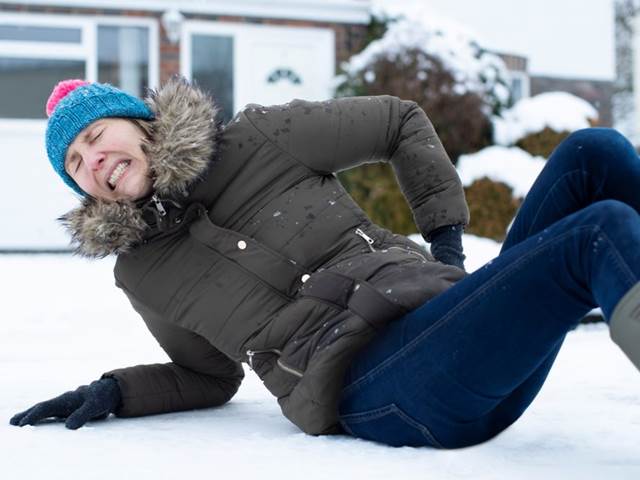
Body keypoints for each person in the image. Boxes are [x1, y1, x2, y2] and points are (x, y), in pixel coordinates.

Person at [9, 76, 640, 449]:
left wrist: (448, 252)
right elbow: (208, 376)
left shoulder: (257, 140)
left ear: (140, 123)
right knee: (597, 234)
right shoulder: (140, 272)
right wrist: (117, 391)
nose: (92, 162)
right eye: (74, 166)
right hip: (376, 389)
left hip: (454, 332)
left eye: (95, 137)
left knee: (594, 153)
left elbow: (399, 121)